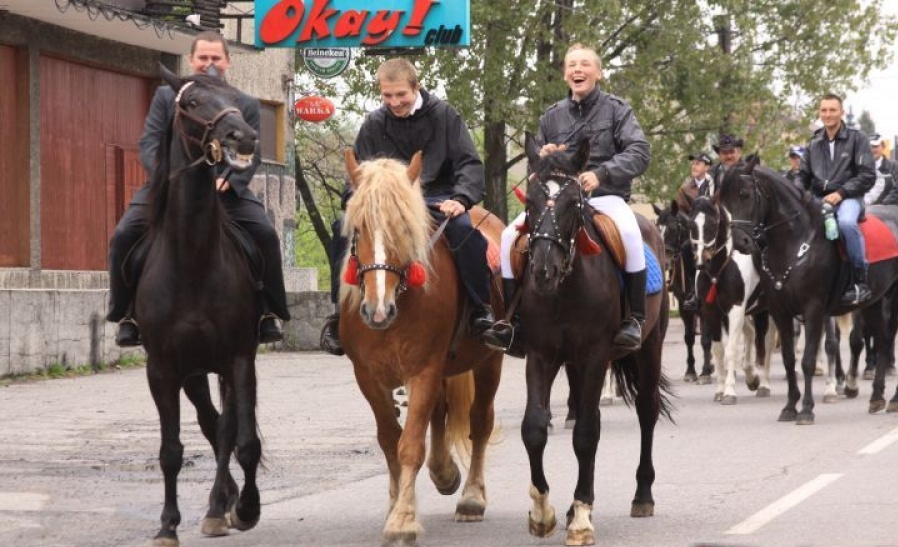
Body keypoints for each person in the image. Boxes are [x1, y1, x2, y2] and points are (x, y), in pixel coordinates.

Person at [107, 31, 290, 347]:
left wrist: (230, 179)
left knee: (265, 235)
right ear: (191, 61)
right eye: (203, 58)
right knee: (123, 235)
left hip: (226, 192)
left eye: (215, 58)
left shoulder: (245, 103)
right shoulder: (167, 97)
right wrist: (165, 176)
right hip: (170, 189)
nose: (209, 64)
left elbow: (251, 151)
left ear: (228, 62)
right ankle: (126, 314)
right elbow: (150, 143)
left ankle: (268, 311)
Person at [319, 58, 495, 356]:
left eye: (401, 94)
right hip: (387, 203)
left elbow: (469, 162)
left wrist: (462, 198)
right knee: (341, 228)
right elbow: (358, 174)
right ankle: (339, 313)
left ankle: (480, 310)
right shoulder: (374, 123)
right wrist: (357, 200)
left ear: (416, 87)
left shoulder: (444, 115)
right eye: (387, 96)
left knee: (465, 232)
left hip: (438, 198)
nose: (395, 102)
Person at [486, 43, 651, 354]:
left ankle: (635, 319)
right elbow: (541, 161)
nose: (578, 69)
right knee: (509, 236)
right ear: (565, 75)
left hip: (604, 197)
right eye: (572, 65)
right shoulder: (552, 116)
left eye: (585, 64)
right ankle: (512, 321)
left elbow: (639, 152)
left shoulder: (618, 110)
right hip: (559, 200)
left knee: (630, 234)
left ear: (598, 73)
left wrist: (602, 173)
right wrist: (543, 160)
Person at [797, 93, 876, 306]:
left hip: (848, 198)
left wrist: (840, 193)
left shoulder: (858, 139)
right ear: (819, 113)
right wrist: (795, 195)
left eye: (832, 110)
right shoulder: (813, 143)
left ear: (841, 112)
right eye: (824, 110)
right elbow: (802, 176)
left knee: (846, 224)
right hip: (818, 199)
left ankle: (860, 279)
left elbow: (867, 175)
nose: (828, 114)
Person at [674, 152, 713, 311]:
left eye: (698, 163)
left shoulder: (715, 184)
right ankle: (692, 290)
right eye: (693, 164)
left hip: (714, 230)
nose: (694, 166)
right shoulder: (685, 189)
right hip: (696, 233)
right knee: (685, 248)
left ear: (707, 167)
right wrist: (691, 222)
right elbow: (680, 211)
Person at [865, 134, 898, 206]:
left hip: (889, 212)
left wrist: (884, 204)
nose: (872, 150)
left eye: (875, 146)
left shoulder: (894, 166)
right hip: (865, 211)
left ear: (883, 147)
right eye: (869, 147)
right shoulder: (860, 169)